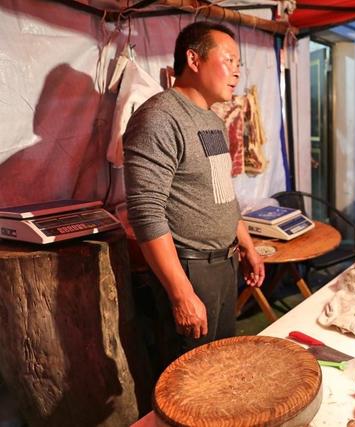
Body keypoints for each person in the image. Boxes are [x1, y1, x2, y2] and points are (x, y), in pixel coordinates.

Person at [123, 22, 265, 371]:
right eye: (228, 60)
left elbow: (221, 191)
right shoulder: (160, 117)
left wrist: (245, 243)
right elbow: (146, 212)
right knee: (189, 377)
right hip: (189, 268)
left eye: (239, 64)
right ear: (194, 59)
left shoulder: (212, 120)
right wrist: (181, 292)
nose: (237, 72)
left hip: (224, 264)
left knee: (219, 367)